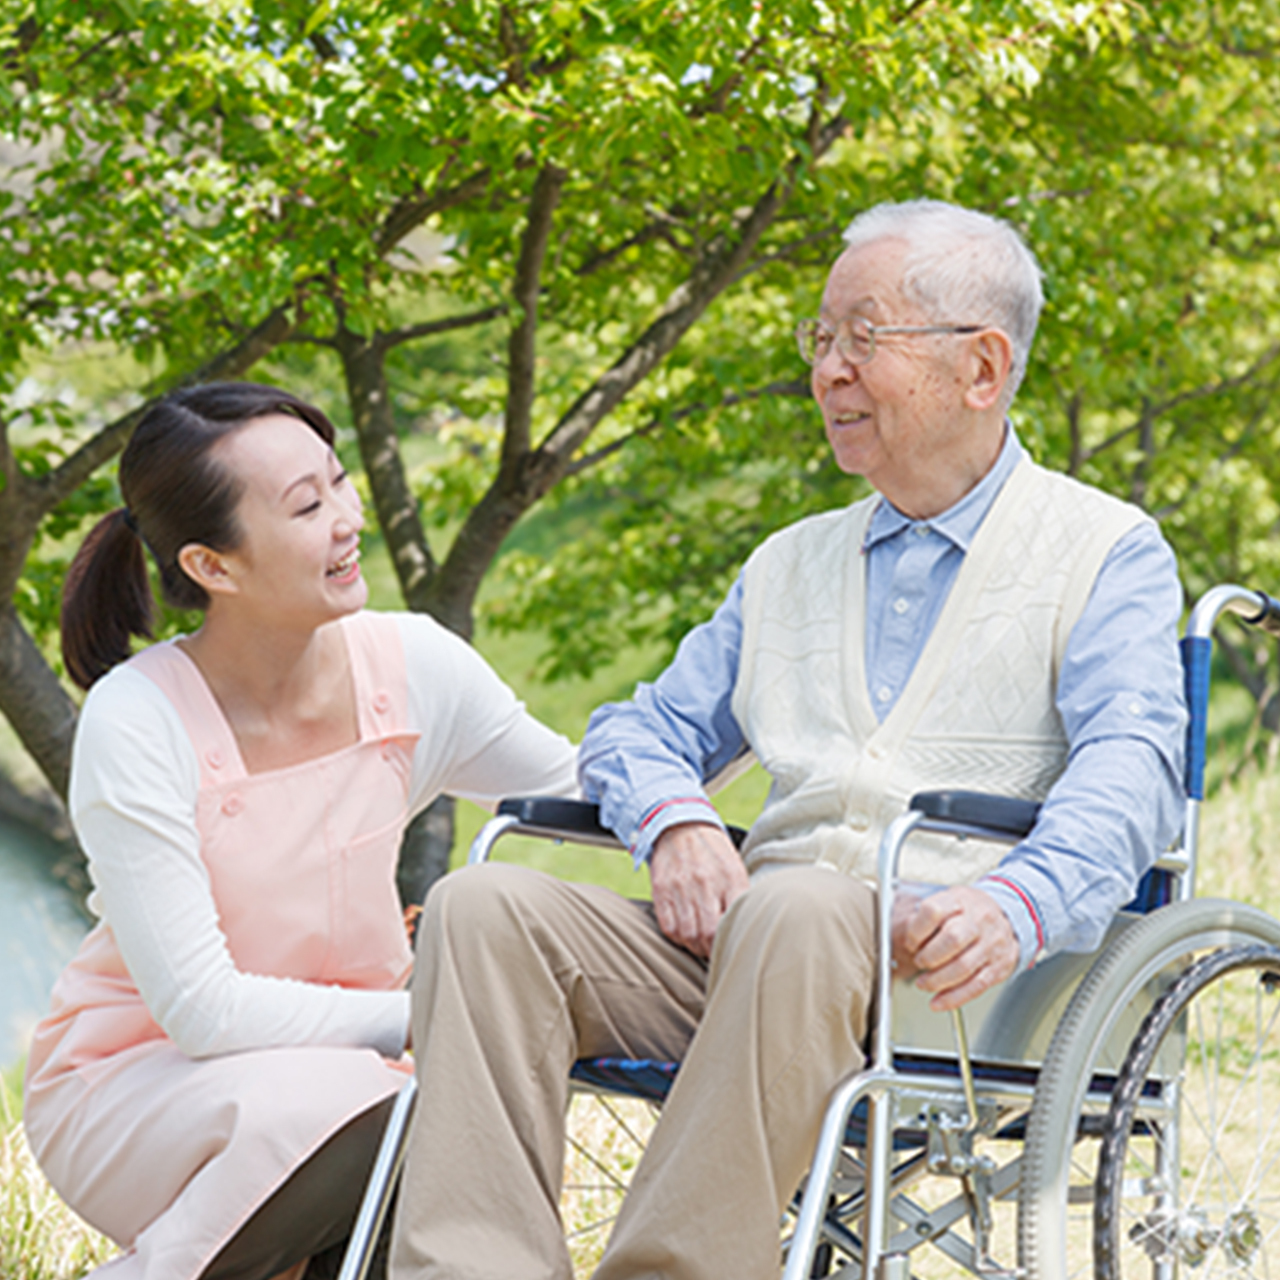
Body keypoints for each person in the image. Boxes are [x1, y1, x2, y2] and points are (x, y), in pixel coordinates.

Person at [388, 200, 1187, 1280]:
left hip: (949, 973)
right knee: (484, 908)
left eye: (863, 338)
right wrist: (673, 822)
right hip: (752, 949)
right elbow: (638, 729)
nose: (826, 372)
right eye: (819, 339)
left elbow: (1132, 768)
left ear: (982, 367)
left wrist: (1018, 900)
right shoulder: (786, 563)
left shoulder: (1102, 550)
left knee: (800, 903)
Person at [23, 382, 578, 1280]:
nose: (346, 519)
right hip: (141, 1079)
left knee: (436, 1138)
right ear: (214, 566)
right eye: (307, 506)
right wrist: (432, 1016)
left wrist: (741, 736)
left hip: (365, 1073)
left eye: (339, 483)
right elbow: (201, 1010)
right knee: (395, 1113)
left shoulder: (415, 665)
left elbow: (581, 791)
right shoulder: (139, 718)